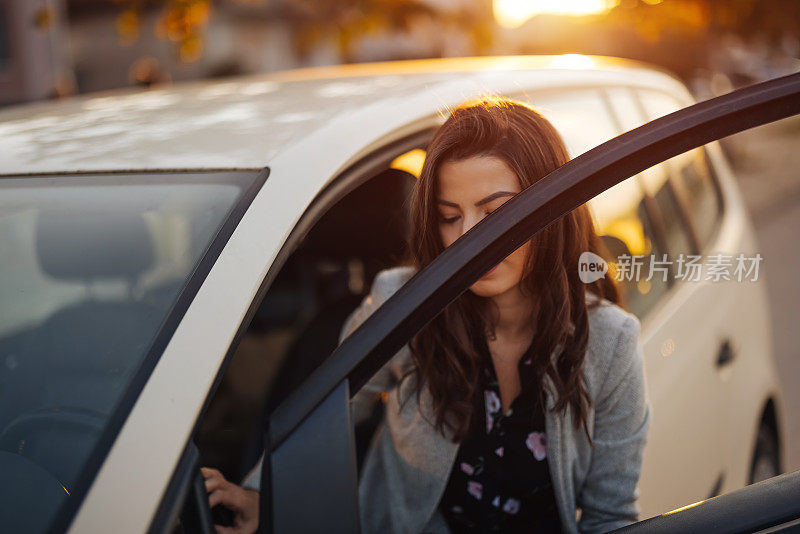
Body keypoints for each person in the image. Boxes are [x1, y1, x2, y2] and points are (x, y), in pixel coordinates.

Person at [202, 96, 651, 534]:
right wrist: (267, 496)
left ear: (552, 210)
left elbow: (609, 515)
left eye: (497, 212)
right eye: (449, 216)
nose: (469, 238)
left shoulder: (610, 341)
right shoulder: (402, 302)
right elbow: (326, 410)